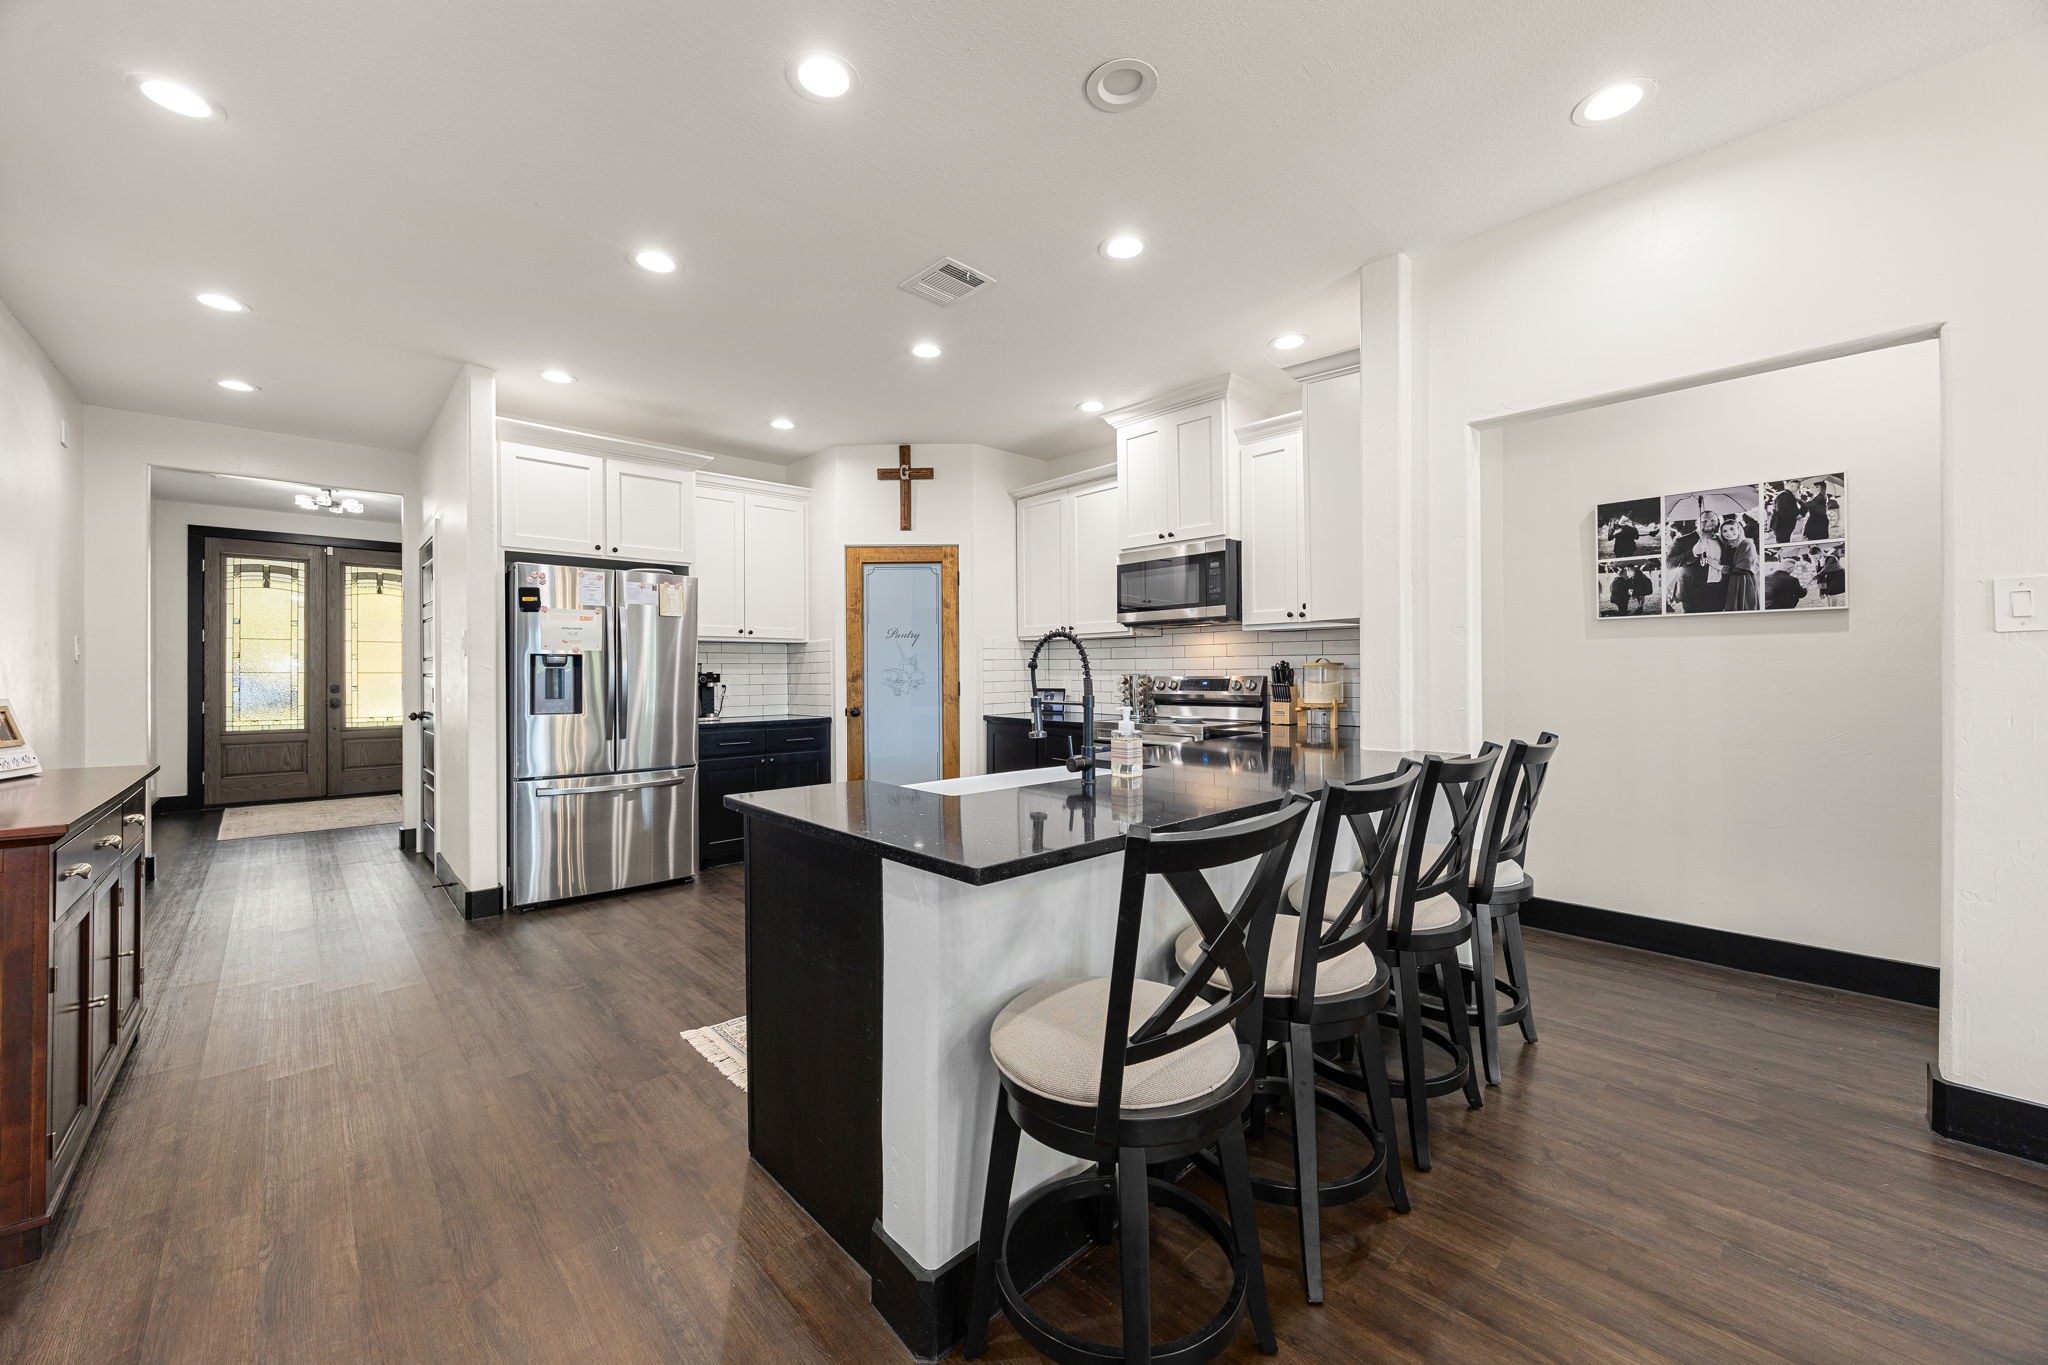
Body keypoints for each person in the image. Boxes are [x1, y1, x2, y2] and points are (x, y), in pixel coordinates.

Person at [1667, 509, 1725, 613]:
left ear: (1718, 522)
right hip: (1692, 595)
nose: (1709, 524)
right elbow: (1669, 563)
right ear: (1696, 523)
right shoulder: (1682, 541)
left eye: (1713, 520)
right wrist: (1693, 552)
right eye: (1704, 521)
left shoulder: (1722, 541)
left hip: (1718, 592)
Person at [1718, 518, 1759, 611]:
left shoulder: (1747, 543)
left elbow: (1742, 569)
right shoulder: (1727, 546)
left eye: (1732, 529)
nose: (1728, 533)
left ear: (1738, 529)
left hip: (1743, 582)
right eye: (1724, 531)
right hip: (1728, 582)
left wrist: (1720, 568)